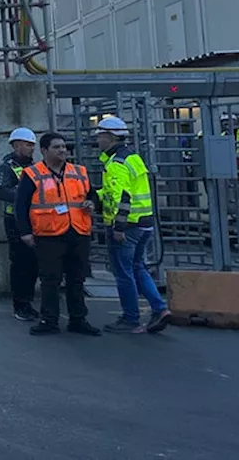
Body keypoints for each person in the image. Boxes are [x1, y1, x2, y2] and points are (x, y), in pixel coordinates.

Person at [14, 132, 102, 337]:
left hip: (78, 231)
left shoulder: (79, 171)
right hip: (48, 234)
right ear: (44, 151)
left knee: (77, 278)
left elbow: (92, 195)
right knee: (50, 279)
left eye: (64, 147)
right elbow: (21, 206)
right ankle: (49, 320)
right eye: (56, 147)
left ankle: (78, 319)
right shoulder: (32, 174)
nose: (62, 150)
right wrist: (25, 232)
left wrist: (92, 203)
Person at [95, 117, 171, 334]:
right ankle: (159, 308)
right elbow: (118, 193)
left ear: (109, 137)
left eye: (100, 135)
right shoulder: (133, 158)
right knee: (138, 267)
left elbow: (122, 197)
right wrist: (96, 195)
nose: (98, 140)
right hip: (144, 223)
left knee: (123, 273)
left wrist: (118, 228)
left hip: (126, 226)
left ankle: (131, 318)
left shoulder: (116, 164)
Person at [0, 127, 40, 321]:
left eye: (33, 145)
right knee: (20, 264)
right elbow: (2, 192)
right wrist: (28, 195)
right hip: (14, 222)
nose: (31, 149)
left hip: (34, 220)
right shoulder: (7, 168)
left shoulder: (36, 167)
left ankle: (28, 302)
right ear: (16, 145)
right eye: (28, 145)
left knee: (33, 265)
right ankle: (20, 305)